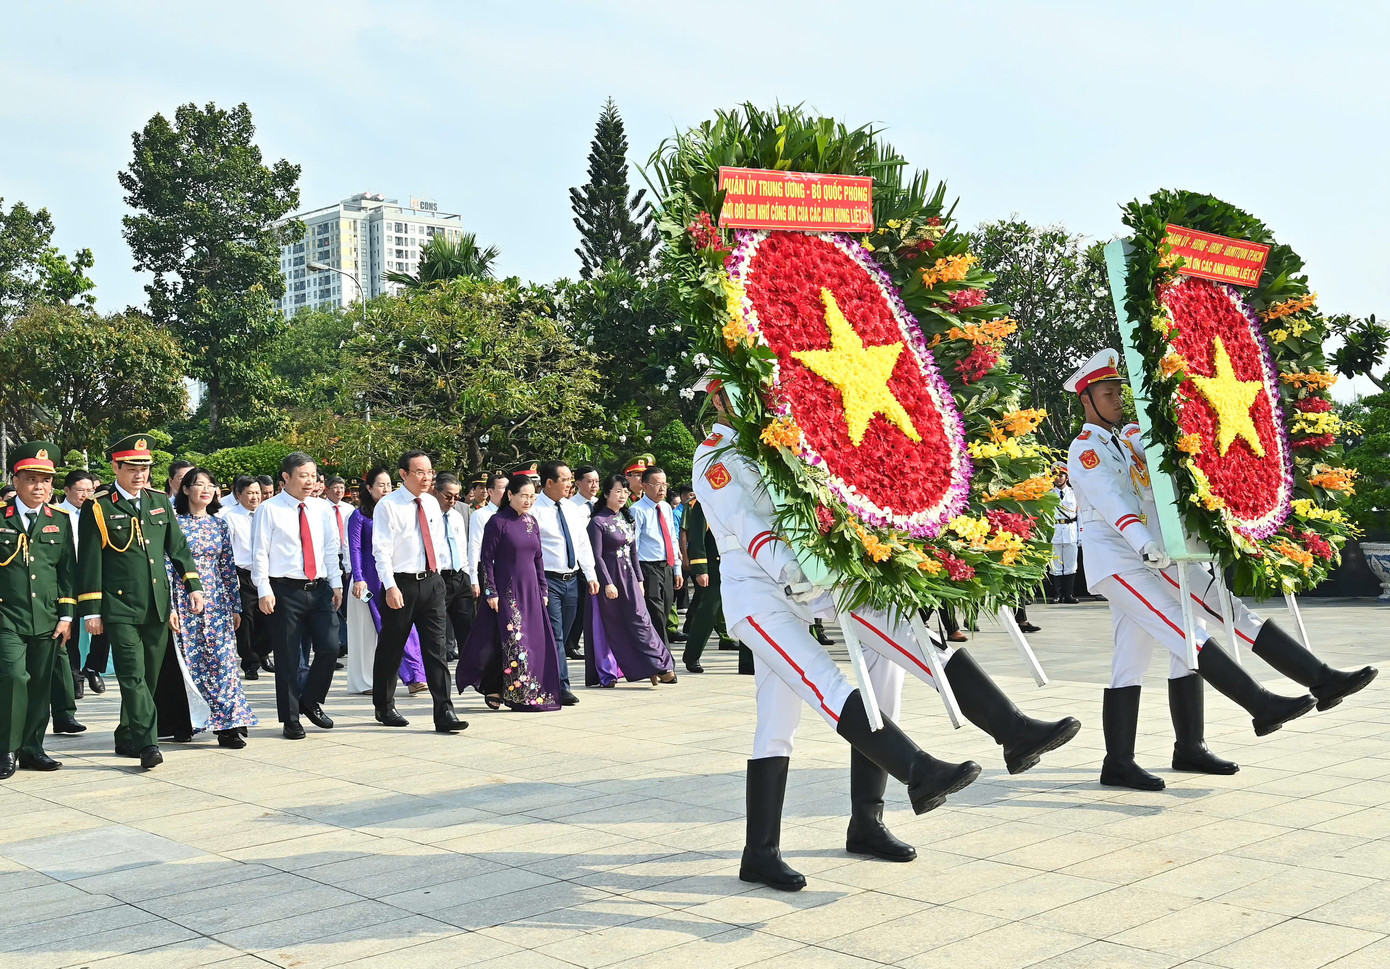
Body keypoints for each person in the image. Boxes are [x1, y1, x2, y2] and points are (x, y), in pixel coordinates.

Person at [690, 380, 982, 891]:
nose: (756, 397)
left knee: (879, 675)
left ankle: (866, 823)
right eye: (740, 391)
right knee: (807, 701)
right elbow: (748, 524)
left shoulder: (783, 441)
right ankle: (910, 775)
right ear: (718, 399)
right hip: (761, 594)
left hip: (810, 582)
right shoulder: (714, 456)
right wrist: (794, 572)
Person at [1064, 349, 1376, 791]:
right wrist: (1145, 541)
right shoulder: (1086, 450)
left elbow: (1169, 456)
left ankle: (1307, 685)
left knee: (1197, 626)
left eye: (1119, 392)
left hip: (1158, 554)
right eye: (1108, 394)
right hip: (1120, 560)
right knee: (1184, 632)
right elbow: (1112, 503)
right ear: (1087, 400)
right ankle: (1260, 705)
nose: (1118, 400)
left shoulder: (1127, 438)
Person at [79, 434, 204, 769]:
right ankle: (148, 744)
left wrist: (193, 586)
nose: (139, 474)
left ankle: (126, 733)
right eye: (132, 468)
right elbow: (90, 561)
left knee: (147, 677)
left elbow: (177, 548)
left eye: (145, 468)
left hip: (157, 604)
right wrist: (91, 609)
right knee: (132, 675)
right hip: (119, 606)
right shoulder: (99, 507)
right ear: (116, 466)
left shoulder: (159, 501)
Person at [370, 452, 465, 733]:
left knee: (436, 649)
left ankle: (444, 711)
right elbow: (381, 550)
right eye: (420, 472)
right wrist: (389, 586)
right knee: (392, 647)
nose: (426, 477)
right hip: (401, 583)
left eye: (430, 472)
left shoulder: (433, 504)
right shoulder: (388, 506)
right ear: (403, 474)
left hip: (432, 583)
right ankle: (384, 706)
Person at [250, 451, 341, 741]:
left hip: (319, 588)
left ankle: (310, 699)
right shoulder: (270, 509)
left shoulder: (321, 509)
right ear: (286, 478)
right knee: (288, 658)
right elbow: (259, 553)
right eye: (303, 475)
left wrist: (336, 583)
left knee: (329, 647)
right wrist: (263, 589)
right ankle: (290, 719)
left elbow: (330, 548)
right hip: (284, 590)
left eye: (313, 476)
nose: (309, 481)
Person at [0, 442, 77, 779]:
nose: (40, 487)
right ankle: (7, 748)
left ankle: (32, 748)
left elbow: (67, 572)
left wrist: (65, 616)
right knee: (14, 679)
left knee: (40, 685)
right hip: (6, 616)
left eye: (46, 480)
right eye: (31, 479)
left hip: (46, 617)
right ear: (15, 481)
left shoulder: (58, 521)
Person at [457, 474, 562, 711]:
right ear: (510, 495)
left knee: (533, 642)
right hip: (507, 592)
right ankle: (516, 693)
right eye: (523, 495)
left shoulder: (531, 522)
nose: (528, 501)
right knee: (515, 642)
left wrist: (543, 588)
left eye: (532, 496)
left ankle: (530, 690)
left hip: (531, 591)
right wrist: (490, 591)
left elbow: (538, 559)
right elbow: (486, 560)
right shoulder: (497, 522)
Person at [170, 468, 257, 748]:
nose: (205, 490)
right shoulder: (174, 523)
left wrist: (234, 605)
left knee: (223, 663)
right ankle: (187, 721)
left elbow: (227, 568)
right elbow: (166, 565)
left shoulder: (219, 524)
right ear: (185, 490)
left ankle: (228, 724)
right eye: (198, 485)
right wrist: (171, 606)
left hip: (217, 601)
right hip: (184, 600)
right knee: (189, 664)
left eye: (210, 485)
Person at [585, 474, 677, 686]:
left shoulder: (626, 519)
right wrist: (607, 582)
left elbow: (633, 552)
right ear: (606, 493)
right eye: (618, 491)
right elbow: (596, 556)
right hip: (611, 579)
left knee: (641, 621)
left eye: (626, 492)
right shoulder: (597, 522)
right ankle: (613, 671)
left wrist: (640, 579)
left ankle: (659, 664)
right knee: (614, 626)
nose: (622, 496)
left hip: (630, 579)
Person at [347, 469, 424, 695]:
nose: (386, 489)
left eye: (389, 485)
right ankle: (369, 680)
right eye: (380, 485)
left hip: (394, 577)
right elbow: (356, 550)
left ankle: (416, 676)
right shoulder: (359, 516)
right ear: (369, 488)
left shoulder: (395, 511)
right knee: (377, 630)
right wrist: (359, 579)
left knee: (405, 627)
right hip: (370, 580)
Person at [533, 461, 595, 706]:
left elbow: (582, 544)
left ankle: (545, 675)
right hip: (548, 580)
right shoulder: (535, 509)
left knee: (564, 634)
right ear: (550, 483)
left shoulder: (572, 509)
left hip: (572, 580)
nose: (570, 484)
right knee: (556, 634)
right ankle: (561, 686)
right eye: (566, 480)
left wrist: (591, 575)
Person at [680, 488, 744, 674]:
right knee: (709, 611)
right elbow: (697, 539)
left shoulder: (742, 501)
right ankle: (692, 655)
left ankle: (748, 661)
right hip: (715, 567)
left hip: (740, 564)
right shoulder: (705, 504)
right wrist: (700, 569)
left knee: (747, 611)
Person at [57, 470, 106, 702]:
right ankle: (75, 676)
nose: (86, 494)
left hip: (94, 578)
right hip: (68, 577)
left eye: (90, 490)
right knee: (71, 630)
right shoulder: (57, 514)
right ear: (66, 491)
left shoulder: (98, 511)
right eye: (80, 490)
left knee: (102, 625)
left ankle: (93, 667)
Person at [630, 466, 683, 655]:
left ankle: (655, 654)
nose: (662, 489)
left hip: (666, 566)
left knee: (666, 610)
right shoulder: (637, 510)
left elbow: (672, 537)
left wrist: (677, 569)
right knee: (657, 615)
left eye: (664, 484)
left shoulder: (666, 507)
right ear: (644, 485)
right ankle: (665, 660)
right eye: (657, 484)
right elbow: (632, 545)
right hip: (647, 568)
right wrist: (637, 576)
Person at [219, 475, 266, 679]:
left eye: (257, 492)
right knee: (246, 620)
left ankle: (261, 652)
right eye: (250, 493)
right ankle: (250, 662)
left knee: (267, 619)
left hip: (265, 573)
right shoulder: (230, 517)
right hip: (243, 574)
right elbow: (226, 550)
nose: (255, 497)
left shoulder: (266, 513)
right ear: (238, 495)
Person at [432, 473, 474, 664]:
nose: (453, 501)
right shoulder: (429, 516)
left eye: (457, 496)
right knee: (438, 628)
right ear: (436, 491)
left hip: (460, 575)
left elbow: (463, 547)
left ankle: (470, 668)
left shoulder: (457, 516)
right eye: (448, 496)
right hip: (438, 577)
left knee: (467, 626)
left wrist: (469, 576)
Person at [326, 476, 354, 658]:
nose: (339, 491)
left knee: (347, 604)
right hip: (330, 558)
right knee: (333, 602)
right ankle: (339, 640)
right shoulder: (322, 509)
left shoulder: (350, 510)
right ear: (326, 490)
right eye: (335, 487)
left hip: (348, 558)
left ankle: (345, 640)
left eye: (342, 487)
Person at [1050, 465, 1079, 603]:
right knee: (1055, 564)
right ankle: (1057, 594)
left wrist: (1081, 534)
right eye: (1055, 475)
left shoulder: (1075, 493)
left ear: (1066, 477)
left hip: (1070, 529)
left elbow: (1080, 515)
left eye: (1061, 475)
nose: (1058, 478)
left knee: (1071, 563)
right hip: (1055, 529)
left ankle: (1068, 594)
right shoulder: (1049, 494)